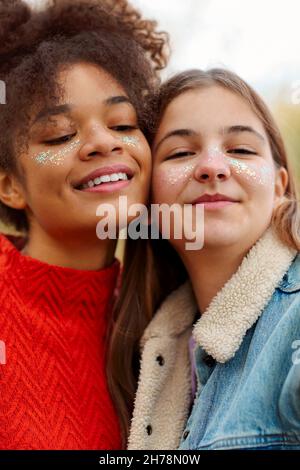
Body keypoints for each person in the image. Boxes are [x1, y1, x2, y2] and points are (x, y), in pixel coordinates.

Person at [0, 0, 168, 449]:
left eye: (123, 124)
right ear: (10, 186)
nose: (100, 142)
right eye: (60, 135)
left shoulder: (168, 314)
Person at [114, 68, 300, 450]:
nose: (212, 167)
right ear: (147, 201)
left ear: (279, 186)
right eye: (181, 153)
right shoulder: (148, 350)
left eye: (241, 149)